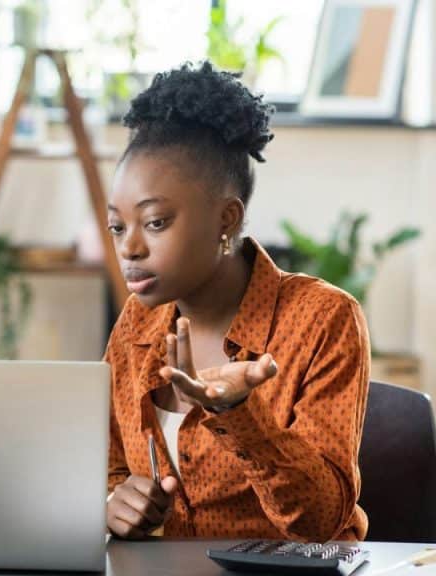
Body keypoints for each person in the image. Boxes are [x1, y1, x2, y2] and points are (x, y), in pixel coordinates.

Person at [104, 62, 368, 541]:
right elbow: (109, 467)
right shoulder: (136, 325)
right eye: (118, 227)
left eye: (156, 222)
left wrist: (240, 416)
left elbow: (321, 521)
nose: (130, 248)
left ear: (227, 220)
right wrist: (117, 501)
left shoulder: (323, 319)